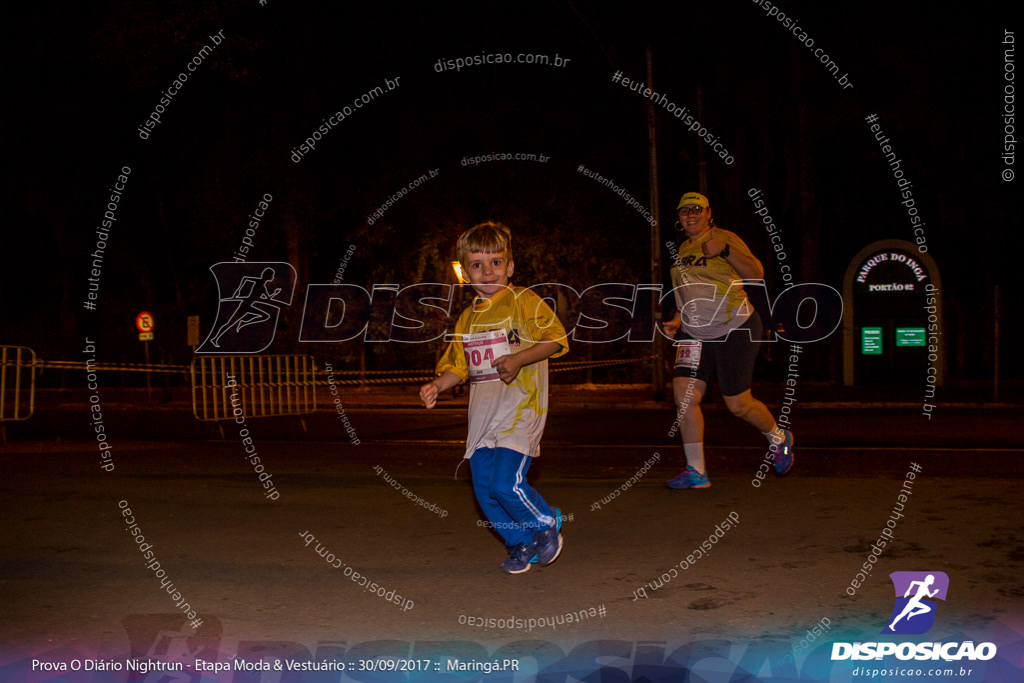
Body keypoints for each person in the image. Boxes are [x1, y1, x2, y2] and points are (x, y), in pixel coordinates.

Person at [420, 221, 569, 573]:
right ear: (464, 271)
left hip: (520, 410)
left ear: (510, 266)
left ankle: (545, 522)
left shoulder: (524, 301)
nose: (487, 272)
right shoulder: (468, 317)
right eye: (477, 265)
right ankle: (520, 543)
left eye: (496, 263)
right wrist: (438, 385)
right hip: (482, 419)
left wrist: (518, 358)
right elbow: (458, 366)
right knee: (486, 491)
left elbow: (557, 340)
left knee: (506, 483)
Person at [662, 191, 793, 489]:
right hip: (695, 333)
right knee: (684, 396)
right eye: (685, 211)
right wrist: (678, 319)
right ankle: (697, 471)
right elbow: (689, 291)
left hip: (735, 327)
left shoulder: (724, 238)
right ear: (679, 218)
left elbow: (756, 273)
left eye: (697, 210)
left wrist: (724, 252)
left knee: (738, 404)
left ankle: (778, 437)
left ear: (709, 213)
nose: (691, 215)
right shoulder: (683, 248)